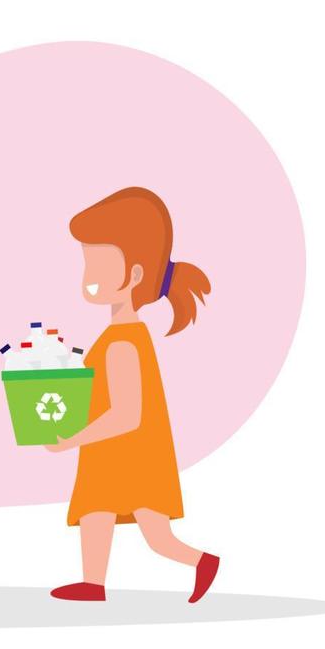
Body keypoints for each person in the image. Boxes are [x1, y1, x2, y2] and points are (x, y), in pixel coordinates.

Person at [45, 187, 220, 603]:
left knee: (156, 536)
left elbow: (127, 414)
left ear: (136, 275)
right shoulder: (117, 335)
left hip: (130, 454)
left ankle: (202, 562)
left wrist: (73, 438)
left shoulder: (124, 341)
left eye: (98, 264)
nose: (88, 276)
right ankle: (92, 583)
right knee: (95, 516)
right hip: (110, 453)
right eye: (87, 263)